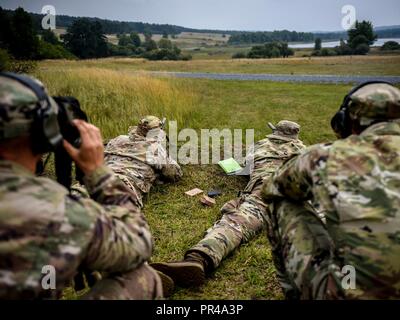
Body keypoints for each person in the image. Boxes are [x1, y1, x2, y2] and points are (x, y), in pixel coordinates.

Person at [0, 73, 162, 299]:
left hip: (91, 183)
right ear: (43, 131)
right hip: (123, 186)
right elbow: (139, 241)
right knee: (144, 277)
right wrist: (98, 173)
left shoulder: (118, 139)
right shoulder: (53, 209)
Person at [261, 81, 400, 299]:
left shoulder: (325, 157)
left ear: (345, 122)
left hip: (348, 288)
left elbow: (272, 188)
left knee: (280, 203)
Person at [152, 121, 306, 287]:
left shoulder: (261, 145)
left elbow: (248, 169)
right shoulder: (306, 151)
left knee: (235, 223)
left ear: (275, 132)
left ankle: (199, 258)